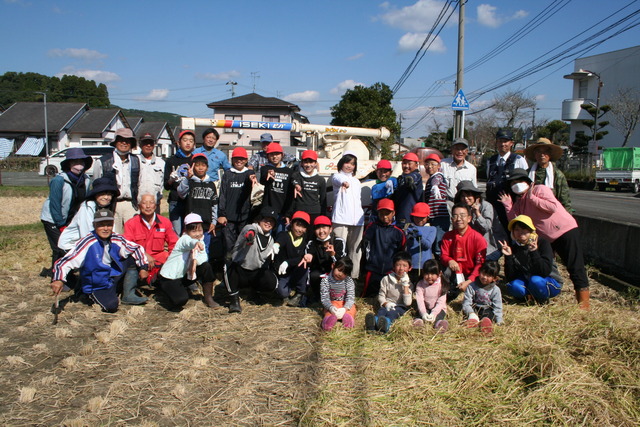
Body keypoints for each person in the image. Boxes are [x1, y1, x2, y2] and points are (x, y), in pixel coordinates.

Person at [499, 168, 590, 309]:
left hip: (565, 231)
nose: (517, 184)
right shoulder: (519, 202)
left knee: (574, 265)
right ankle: (537, 294)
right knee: (545, 265)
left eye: (520, 181)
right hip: (547, 238)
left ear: (528, 182)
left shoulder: (540, 189)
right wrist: (508, 205)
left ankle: (583, 302)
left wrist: (532, 198)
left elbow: (552, 207)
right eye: (513, 183)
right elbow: (517, 222)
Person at [50, 208, 148, 313]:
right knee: (111, 306)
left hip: (111, 276)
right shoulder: (87, 242)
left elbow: (136, 248)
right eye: (101, 225)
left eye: (109, 224)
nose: (105, 228)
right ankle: (86, 293)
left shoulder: (116, 238)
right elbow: (65, 261)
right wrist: (58, 279)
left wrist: (143, 267)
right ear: (94, 225)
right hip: (97, 283)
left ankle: (128, 294)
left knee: (131, 257)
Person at [40, 147, 92, 276]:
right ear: (68, 164)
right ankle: (58, 275)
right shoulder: (59, 180)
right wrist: (60, 224)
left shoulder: (85, 180)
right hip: (52, 218)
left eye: (81, 162)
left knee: (67, 245)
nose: (78, 166)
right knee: (59, 246)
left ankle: (58, 272)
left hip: (70, 218)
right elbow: (55, 204)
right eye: (75, 162)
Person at [122, 193, 179, 304]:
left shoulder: (165, 222)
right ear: (139, 206)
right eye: (144, 203)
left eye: (151, 202)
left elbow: (173, 244)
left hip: (159, 261)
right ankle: (128, 294)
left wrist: (172, 262)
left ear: (156, 205)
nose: (148, 206)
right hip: (139, 261)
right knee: (129, 260)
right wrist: (144, 255)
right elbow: (128, 244)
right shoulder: (131, 224)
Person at [223, 207, 279, 314]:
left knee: (273, 282)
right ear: (259, 220)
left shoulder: (271, 240)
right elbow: (249, 231)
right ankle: (234, 300)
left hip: (254, 273)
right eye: (265, 220)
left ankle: (254, 293)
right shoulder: (250, 228)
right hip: (240, 269)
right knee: (228, 267)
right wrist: (250, 237)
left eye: (271, 221)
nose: (268, 223)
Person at [157, 213, 218, 310]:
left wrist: (196, 257)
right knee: (180, 300)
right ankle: (165, 290)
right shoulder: (184, 239)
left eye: (200, 230)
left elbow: (202, 260)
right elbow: (189, 243)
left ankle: (208, 297)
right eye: (194, 231)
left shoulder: (200, 241)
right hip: (170, 277)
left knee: (206, 266)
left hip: (183, 275)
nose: (198, 233)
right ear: (186, 230)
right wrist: (196, 244)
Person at [498, 215, 562, 303]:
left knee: (535, 280)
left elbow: (544, 271)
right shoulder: (514, 247)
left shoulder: (542, 243)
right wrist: (509, 257)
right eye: (517, 229)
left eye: (524, 229)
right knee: (513, 286)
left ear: (531, 230)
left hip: (548, 280)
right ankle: (527, 298)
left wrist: (534, 252)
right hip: (527, 281)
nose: (520, 232)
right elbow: (511, 277)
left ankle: (542, 299)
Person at [93, 128, 140, 233]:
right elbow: (96, 185)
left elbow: (138, 183)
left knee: (132, 236)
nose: (124, 143)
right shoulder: (102, 161)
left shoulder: (136, 160)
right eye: (121, 140)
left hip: (131, 204)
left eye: (128, 140)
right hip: (112, 205)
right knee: (113, 235)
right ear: (115, 142)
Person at [440, 203, 487, 301]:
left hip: (472, 274)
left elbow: (480, 264)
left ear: (469, 218)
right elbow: (443, 255)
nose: (459, 219)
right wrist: (449, 260)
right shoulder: (447, 236)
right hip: (455, 272)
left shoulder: (478, 238)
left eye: (462, 215)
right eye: (455, 216)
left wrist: (469, 281)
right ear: (452, 219)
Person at [58, 177, 119, 252]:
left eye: (109, 194)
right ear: (95, 194)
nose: (106, 197)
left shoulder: (107, 208)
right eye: (102, 194)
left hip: (92, 243)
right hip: (72, 245)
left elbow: (112, 229)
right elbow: (86, 232)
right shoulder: (87, 206)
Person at [361, 198, 406, 297]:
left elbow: (401, 251)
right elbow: (365, 245)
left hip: (390, 271)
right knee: (367, 296)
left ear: (393, 213)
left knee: (390, 296)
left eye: (388, 213)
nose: (385, 216)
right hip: (373, 269)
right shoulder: (372, 227)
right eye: (382, 213)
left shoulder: (398, 232)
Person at [217, 146, 258, 254]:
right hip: (229, 218)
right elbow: (223, 195)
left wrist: (251, 178)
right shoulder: (228, 174)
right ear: (232, 160)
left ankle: (242, 268)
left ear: (246, 160)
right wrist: (221, 214)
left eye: (242, 159)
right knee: (229, 246)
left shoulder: (248, 174)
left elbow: (251, 176)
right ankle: (229, 267)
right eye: (236, 158)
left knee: (245, 245)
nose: (239, 161)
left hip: (245, 217)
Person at [485, 129, 528, 230]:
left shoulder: (518, 160)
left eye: (505, 141)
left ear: (511, 143)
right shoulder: (490, 161)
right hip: (492, 204)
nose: (502, 144)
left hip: (511, 205)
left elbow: (526, 184)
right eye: (500, 141)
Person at [331, 152, 365, 279]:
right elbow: (338, 179)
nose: (350, 166)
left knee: (355, 251)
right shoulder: (336, 177)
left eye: (353, 164)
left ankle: (353, 278)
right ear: (341, 163)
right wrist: (344, 182)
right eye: (347, 162)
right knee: (340, 250)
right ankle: (338, 277)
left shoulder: (356, 181)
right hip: (341, 220)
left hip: (357, 221)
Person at [454, 180, 506, 261]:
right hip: (472, 247)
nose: (466, 199)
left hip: (491, 246)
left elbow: (486, 227)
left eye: (468, 195)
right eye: (463, 196)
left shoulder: (486, 206)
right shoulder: (462, 209)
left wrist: (477, 213)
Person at [177, 153, 219, 252]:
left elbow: (214, 204)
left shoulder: (211, 184)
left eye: (203, 165)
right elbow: (181, 193)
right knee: (191, 249)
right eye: (197, 165)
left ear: (207, 168)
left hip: (206, 225)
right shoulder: (189, 182)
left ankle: (204, 267)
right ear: (193, 167)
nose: (200, 168)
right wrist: (187, 178)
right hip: (192, 225)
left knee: (205, 249)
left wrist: (214, 221)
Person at [364, 251, 413, 334]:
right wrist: (386, 304)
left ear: (409, 268)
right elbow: (381, 295)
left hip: (400, 307)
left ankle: (386, 324)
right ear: (393, 266)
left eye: (404, 266)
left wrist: (405, 285)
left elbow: (407, 303)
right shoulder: (386, 279)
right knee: (381, 312)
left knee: (393, 314)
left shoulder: (409, 283)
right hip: (388, 304)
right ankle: (373, 323)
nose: (401, 268)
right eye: (398, 265)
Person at [305, 215, 347, 304]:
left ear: (330, 229)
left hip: (334, 273)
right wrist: (309, 257)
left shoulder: (339, 241)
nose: (321, 231)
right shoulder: (311, 243)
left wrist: (333, 255)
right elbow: (309, 258)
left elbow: (343, 263)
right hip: (320, 274)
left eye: (324, 227)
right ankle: (317, 295)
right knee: (314, 275)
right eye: (318, 228)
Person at [273, 211, 312, 307]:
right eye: (298, 225)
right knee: (283, 293)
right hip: (283, 272)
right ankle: (288, 288)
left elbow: (301, 257)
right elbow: (280, 241)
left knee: (304, 265)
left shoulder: (305, 240)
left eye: (303, 227)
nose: (300, 229)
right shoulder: (284, 235)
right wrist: (276, 245)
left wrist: (288, 262)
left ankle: (300, 293)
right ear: (291, 224)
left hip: (295, 270)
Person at [525, 137, 571, 212]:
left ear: (550, 154)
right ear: (534, 154)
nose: (542, 155)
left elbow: (565, 202)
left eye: (545, 151)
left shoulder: (557, 175)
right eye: (538, 151)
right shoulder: (527, 174)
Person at [164, 129, 196, 235]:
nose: (188, 143)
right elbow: (166, 186)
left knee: (191, 233)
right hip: (175, 201)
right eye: (185, 140)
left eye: (191, 141)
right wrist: (171, 180)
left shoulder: (195, 161)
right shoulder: (171, 161)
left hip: (191, 202)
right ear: (179, 143)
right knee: (176, 233)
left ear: (194, 144)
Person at [461, 260, 503, 335]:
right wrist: (471, 313)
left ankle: (485, 324)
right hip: (474, 308)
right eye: (483, 273)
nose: (484, 277)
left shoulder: (495, 290)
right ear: (479, 272)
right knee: (472, 314)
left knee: (488, 315)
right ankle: (472, 320)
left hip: (487, 309)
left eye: (488, 276)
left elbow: (497, 306)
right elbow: (467, 302)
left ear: (494, 279)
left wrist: (499, 320)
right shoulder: (472, 286)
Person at [260, 142, 294, 233]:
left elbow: (291, 193)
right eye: (271, 154)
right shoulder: (265, 168)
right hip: (268, 211)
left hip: (283, 211)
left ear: (282, 155)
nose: (274, 157)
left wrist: (288, 213)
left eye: (277, 154)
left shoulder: (289, 171)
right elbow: (263, 179)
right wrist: (269, 174)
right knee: (266, 236)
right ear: (267, 156)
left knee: (280, 237)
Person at [423, 153, 449, 257]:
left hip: (440, 216)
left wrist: (435, 186)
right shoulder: (430, 179)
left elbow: (437, 180)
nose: (430, 166)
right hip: (433, 216)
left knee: (439, 244)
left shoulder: (438, 176)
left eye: (433, 164)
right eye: (427, 164)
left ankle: (442, 268)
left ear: (439, 166)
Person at [319, 258, 356, 331]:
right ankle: (327, 323)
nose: (340, 274)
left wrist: (345, 309)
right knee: (327, 312)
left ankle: (348, 320)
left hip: (345, 304)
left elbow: (350, 297)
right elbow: (325, 298)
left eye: (344, 273)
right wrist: (331, 308)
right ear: (333, 266)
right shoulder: (325, 281)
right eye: (339, 270)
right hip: (332, 304)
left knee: (352, 308)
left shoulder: (348, 281)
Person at [412, 259, 449, 332]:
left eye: (432, 274)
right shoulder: (420, 284)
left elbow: (441, 302)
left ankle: (439, 324)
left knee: (439, 316)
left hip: (439, 309)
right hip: (425, 307)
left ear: (439, 274)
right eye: (427, 274)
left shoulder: (442, 285)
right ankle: (419, 323)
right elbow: (420, 301)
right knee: (418, 314)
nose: (429, 276)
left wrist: (433, 314)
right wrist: (423, 313)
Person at [291, 149, 327, 223]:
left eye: (311, 162)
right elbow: (293, 180)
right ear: (301, 163)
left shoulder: (321, 179)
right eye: (305, 162)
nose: (308, 165)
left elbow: (323, 199)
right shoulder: (296, 175)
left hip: (315, 212)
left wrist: (323, 215)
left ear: (315, 163)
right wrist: (296, 185)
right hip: (299, 212)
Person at [404, 202, 437, 283]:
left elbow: (428, 245)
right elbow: (407, 245)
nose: (419, 220)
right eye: (417, 217)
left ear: (427, 217)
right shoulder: (409, 227)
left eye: (422, 218)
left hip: (425, 265)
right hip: (411, 265)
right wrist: (409, 237)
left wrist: (419, 237)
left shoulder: (432, 229)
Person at [440, 137, 477, 204]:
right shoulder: (442, 164)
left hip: (463, 205)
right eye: (457, 148)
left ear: (467, 151)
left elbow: (474, 190)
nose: (460, 152)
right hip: (445, 204)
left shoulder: (472, 169)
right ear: (452, 150)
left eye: (462, 149)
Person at [392, 152, 423, 227]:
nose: (406, 166)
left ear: (416, 165)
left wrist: (409, 180)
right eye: (404, 163)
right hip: (398, 215)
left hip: (409, 216)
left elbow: (412, 178)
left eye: (409, 164)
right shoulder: (400, 178)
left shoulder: (416, 176)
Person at [137, 132, 165, 211]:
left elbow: (163, 182)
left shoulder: (161, 162)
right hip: (138, 201)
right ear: (140, 144)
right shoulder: (135, 160)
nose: (148, 145)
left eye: (151, 143)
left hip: (154, 201)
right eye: (145, 143)